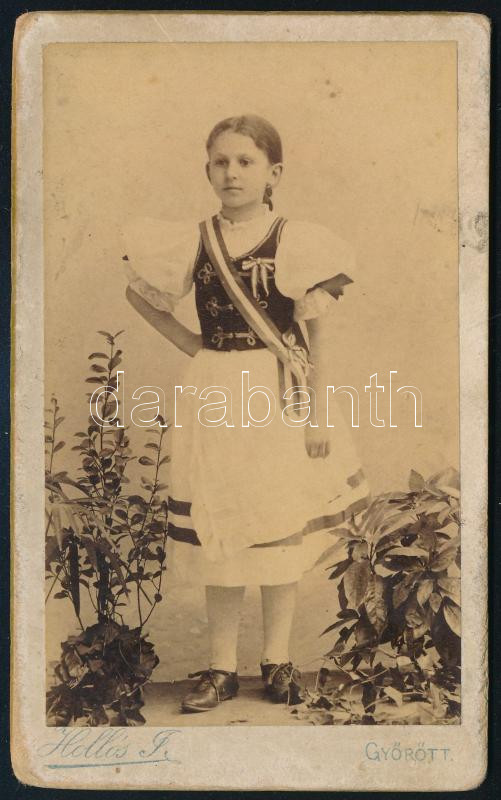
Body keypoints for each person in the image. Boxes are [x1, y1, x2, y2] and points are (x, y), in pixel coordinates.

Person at [121, 114, 370, 713]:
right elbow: (140, 294)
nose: (231, 173)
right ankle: (220, 667)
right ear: (207, 170)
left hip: (279, 392)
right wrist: (195, 347)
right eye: (220, 162)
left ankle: (277, 660)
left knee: (278, 523)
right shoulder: (196, 239)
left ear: (273, 173)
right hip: (216, 392)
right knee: (222, 526)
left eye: (245, 162)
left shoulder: (294, 241)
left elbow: (316, 335)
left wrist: (316, 413)